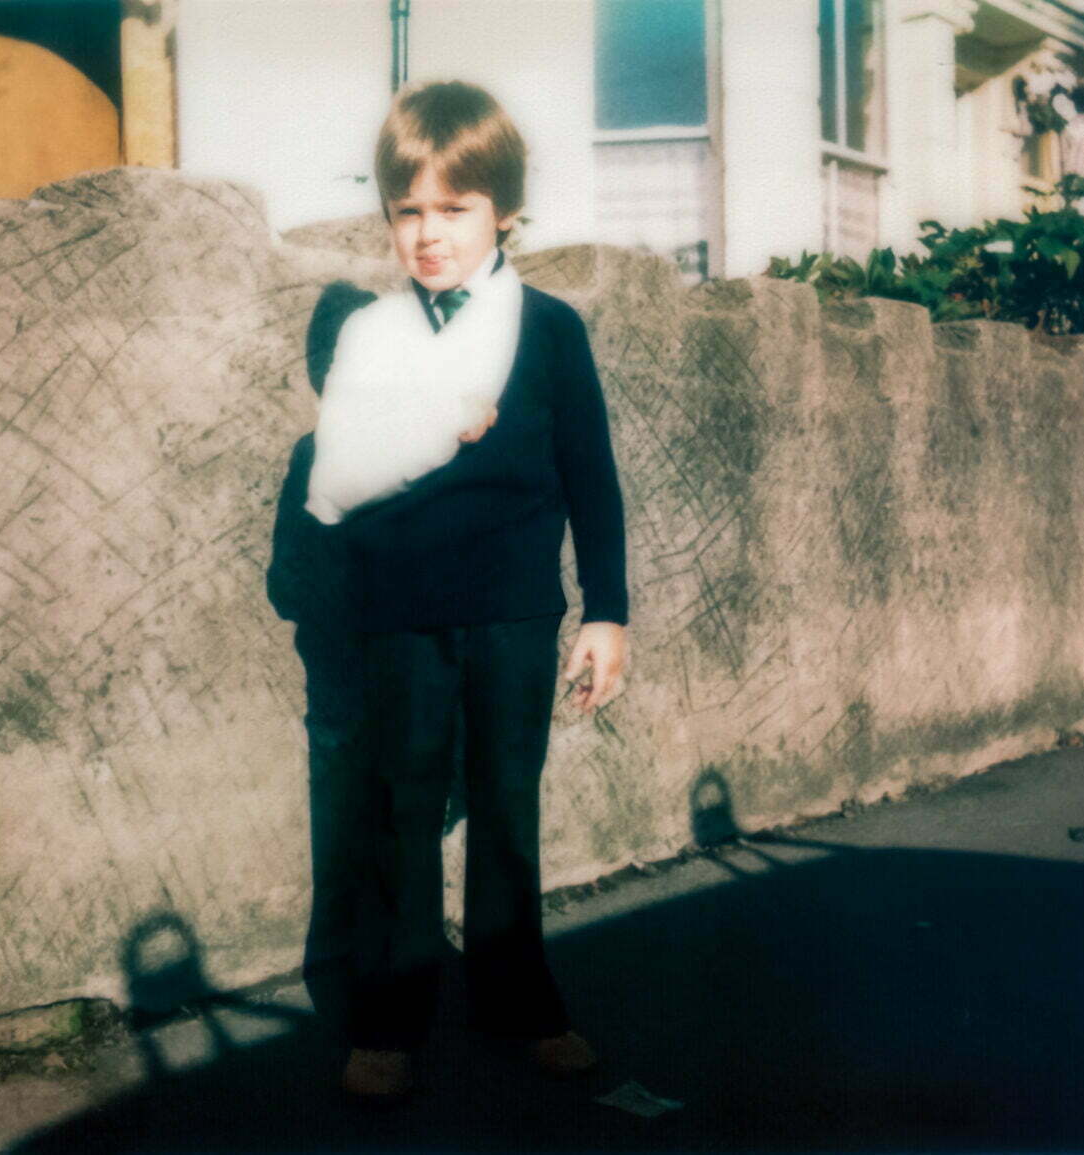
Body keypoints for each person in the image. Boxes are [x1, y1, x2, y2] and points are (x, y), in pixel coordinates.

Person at [267, 79, 628, 1104]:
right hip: (400, 619)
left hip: (515, 610)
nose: (428, 235)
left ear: (504, 210)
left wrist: (607, 611)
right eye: (408, 210)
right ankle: (391, 1017)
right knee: (401, 813)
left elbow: (591, 475)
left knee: (507, 810)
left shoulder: (548, 330)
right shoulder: (377, 337)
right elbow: (341, 484)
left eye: (455, 209)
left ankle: (523, 1004)